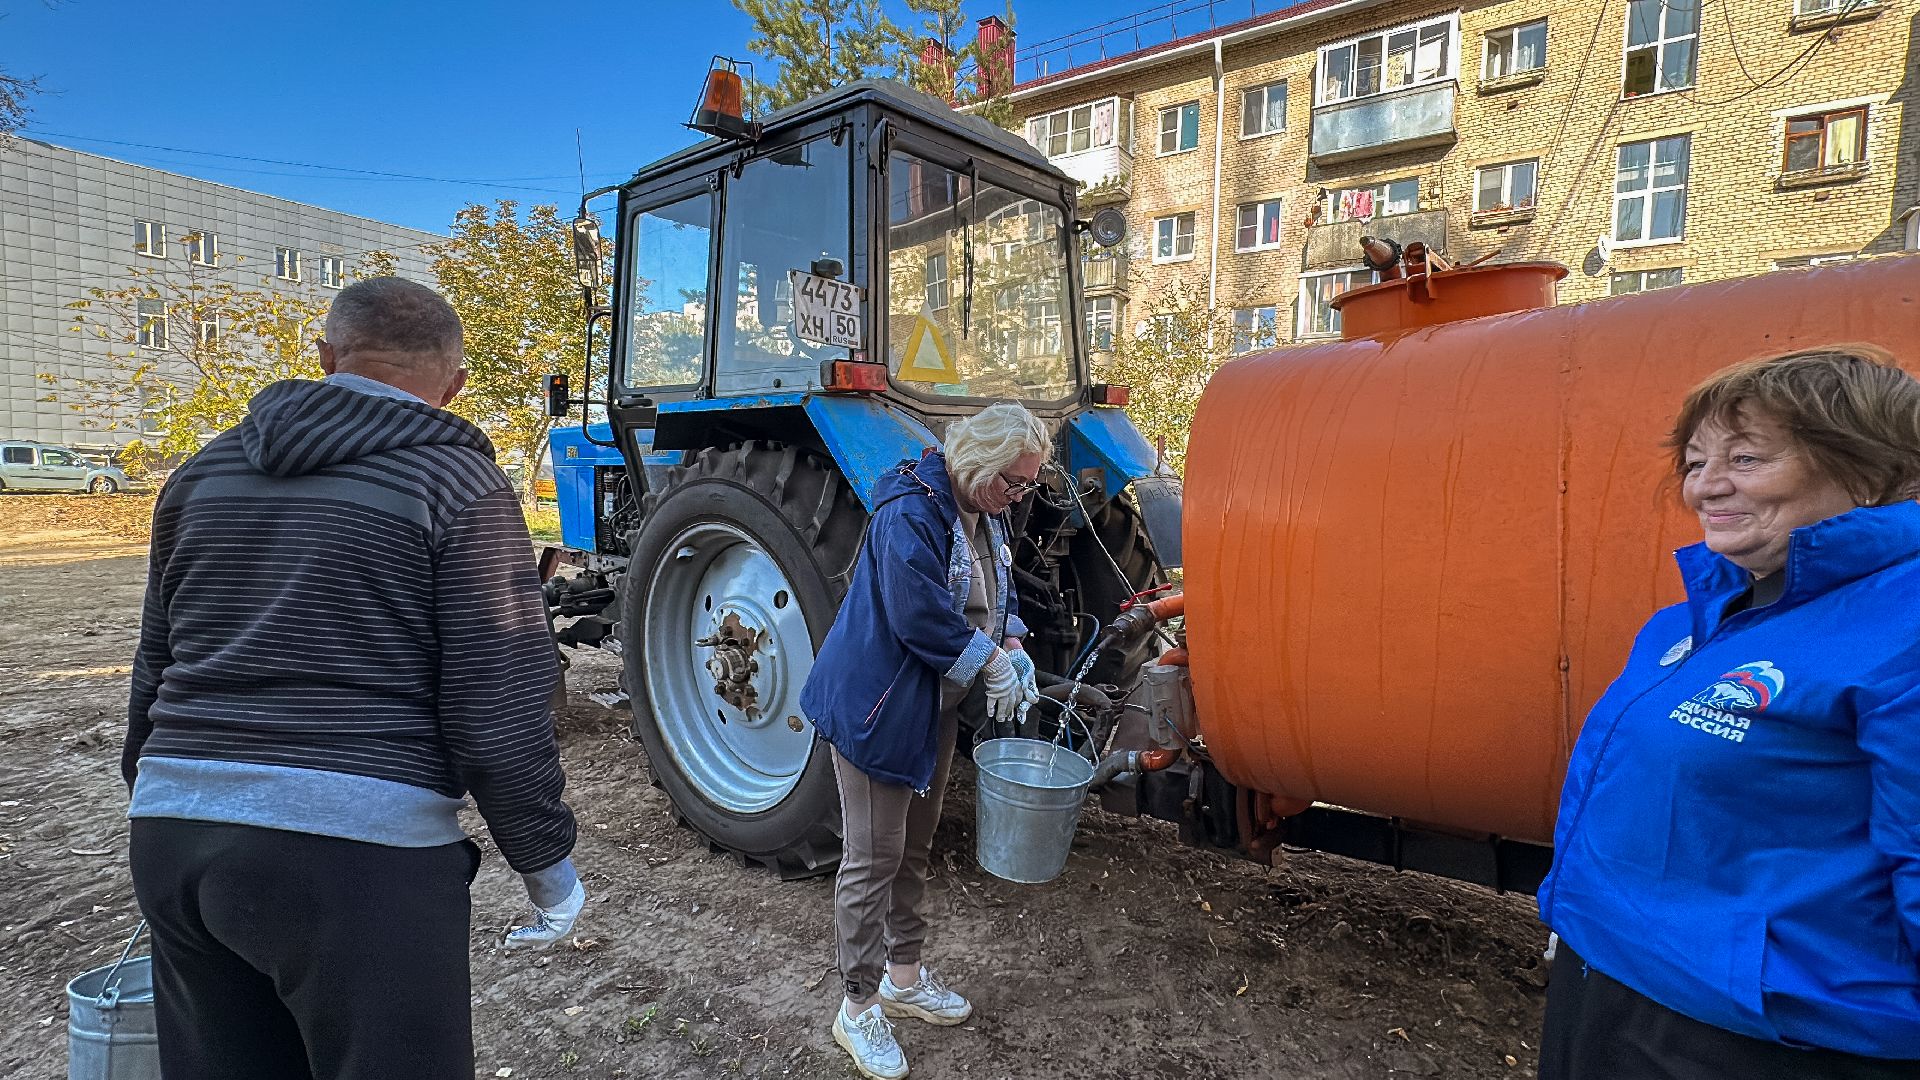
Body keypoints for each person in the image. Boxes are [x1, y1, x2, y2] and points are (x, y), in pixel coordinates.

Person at [122, 277, 585, 1080]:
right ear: (455, 385)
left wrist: (164, 800)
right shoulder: (459, 485)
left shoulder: (200, 474)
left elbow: (155, 667)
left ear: (327, 357)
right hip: (356, 863)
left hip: (174, 839)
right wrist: (547, 866)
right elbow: (496, 706)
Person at [1537, 346, 1920, 1078]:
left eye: (1745, 458)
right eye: (1694, 461)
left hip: (1765, 1037)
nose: (1706, 487)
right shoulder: (1693, 618)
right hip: (1611, 989)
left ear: (1871, 470)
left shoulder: (1904, 630)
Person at [801, 402, 1048, 1080]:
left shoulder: (985, 506)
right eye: (1015, 483)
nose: (1020, 497)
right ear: (978, 464)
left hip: (929, 705)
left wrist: (1015, 636)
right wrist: (991, 664)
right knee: (871, 859)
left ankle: (902, 979)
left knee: (914, 846)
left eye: (1028, 484)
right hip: (878, 708)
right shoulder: (908, 512)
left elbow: (997, 581)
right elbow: (918, 616)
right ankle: (856, 1008)